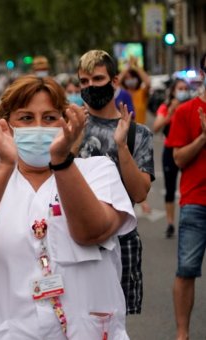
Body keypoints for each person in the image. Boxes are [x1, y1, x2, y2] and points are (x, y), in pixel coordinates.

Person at [0, 75, 136, 338]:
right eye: (26, 118)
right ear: (6, 126)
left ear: (66, 122)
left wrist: (61, 160)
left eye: (49, 118)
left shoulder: (97, 171)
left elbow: (91, 232)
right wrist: (5, 165)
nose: (39, 127)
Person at [76, 50, 154, 315]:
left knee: (115, 323)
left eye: (97, 79)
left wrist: (122, 146)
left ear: (115, 82)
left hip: (122, 241)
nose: (90, 87)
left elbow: (140, 193)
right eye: (84, 82)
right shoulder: (69, 127)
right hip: (74, 240)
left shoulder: (137, 133)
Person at [166, 53, 206, 340]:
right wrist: (204, 137)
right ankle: (183, 333)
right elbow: (178, 158)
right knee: (186, 269)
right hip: (196, 201)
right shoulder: (186, 111)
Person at [152, 78, 191, 238]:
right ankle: (170, 223)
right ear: (173, 91)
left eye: (185, 88)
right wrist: (171, 112)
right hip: (170, 150)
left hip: (188, 150)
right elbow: (156, 127)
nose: (183, 91)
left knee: (189, 187)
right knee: (170, 188)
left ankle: (189, 221)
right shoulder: (165, 107)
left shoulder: (191, 106)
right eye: (179, 88)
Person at [119, 57, 151, 124]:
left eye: (132, 77)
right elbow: (117, 81)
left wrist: (137, 67)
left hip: (140, 129)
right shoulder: (123, 93)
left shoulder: (141, 92)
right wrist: (127, 67)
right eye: (127, 78)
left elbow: (148, 82)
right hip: (126, 129)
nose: (130, 79)